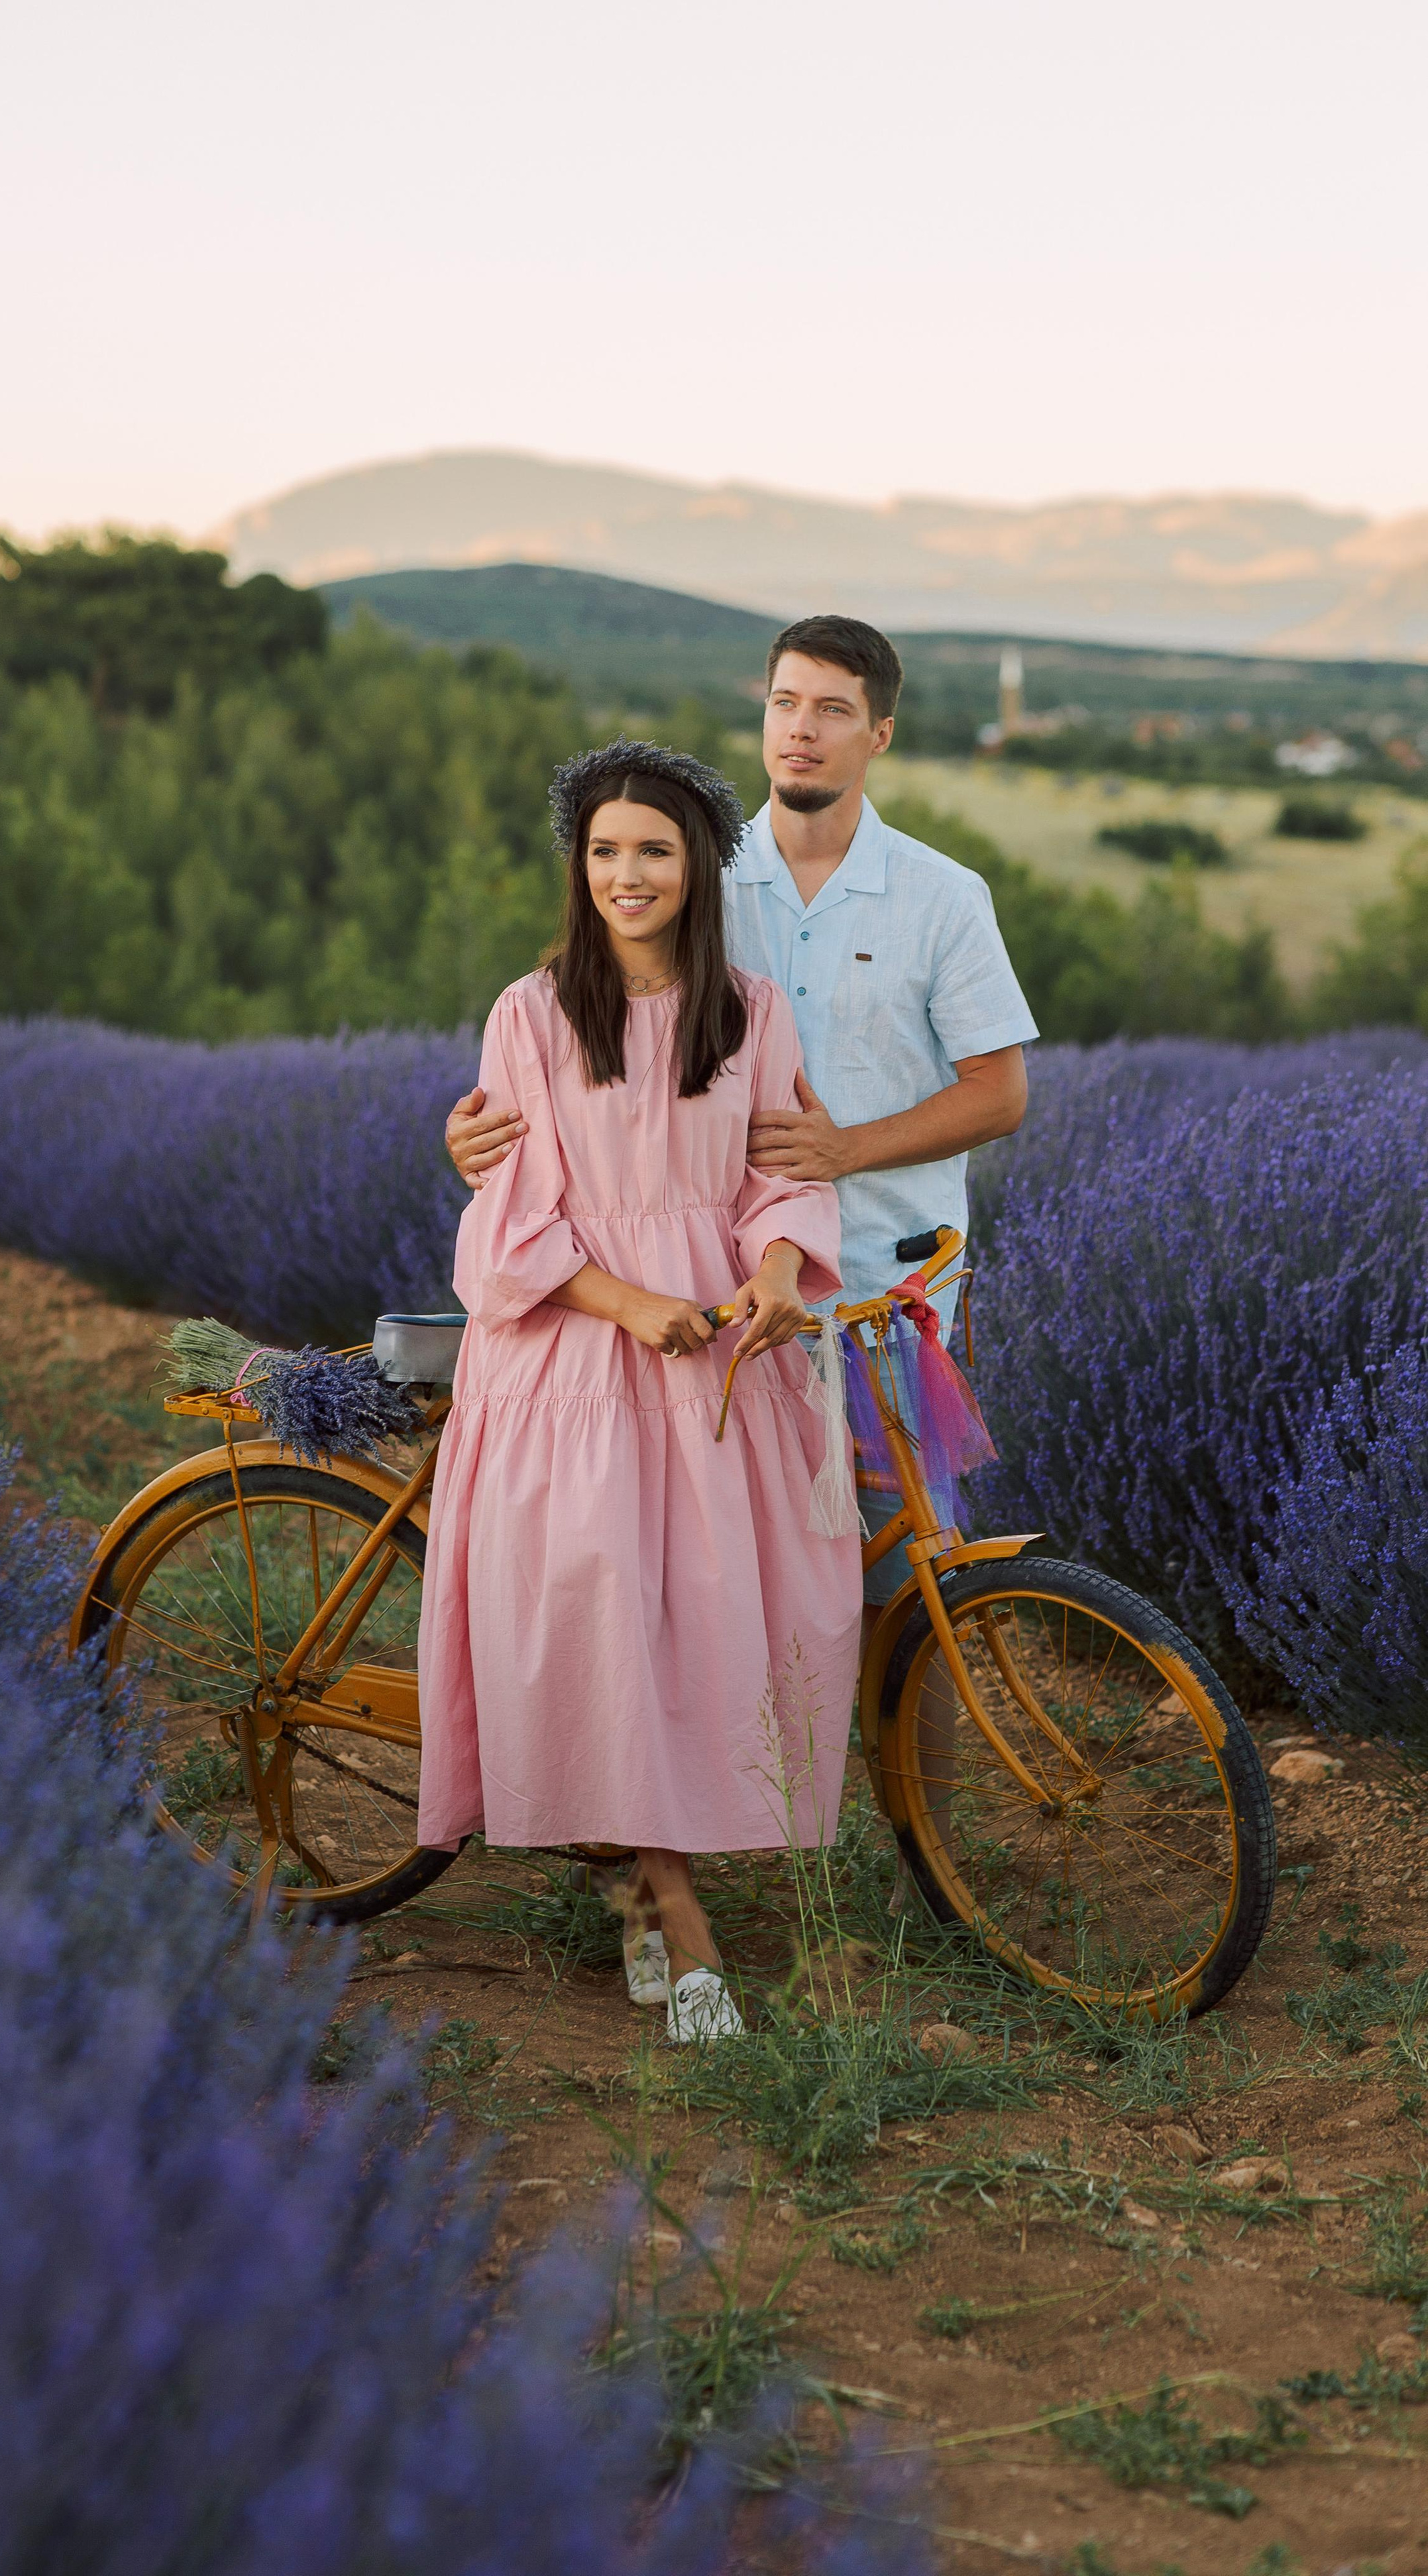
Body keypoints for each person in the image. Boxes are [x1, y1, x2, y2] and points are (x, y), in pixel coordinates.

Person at [447, 613, 1038, 1638]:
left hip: (882, 1295)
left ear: (879, 734)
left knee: (912, 1585)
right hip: (723, 1312)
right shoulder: (688, 874)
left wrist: (847, 1150)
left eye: (834, 711)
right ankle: (766, 1782)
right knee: (736, 1595)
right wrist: (479, 1143)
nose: (802, 730)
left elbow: (1001, 1093)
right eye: (785, 704)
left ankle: (904, 1801)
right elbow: (572, 1048)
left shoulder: (943, 898)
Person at [417, 742, 867, 2043]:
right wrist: (634, 1306)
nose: (626, 874)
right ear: (579, 866)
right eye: (604, 851)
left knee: (707, 1626)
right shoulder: (533, 1015)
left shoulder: (753, 1012)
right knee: (604, 1626)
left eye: (652, 851)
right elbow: (511, 1224)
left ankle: (628, 1891)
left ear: (696, 868)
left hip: (721, 1357)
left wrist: (778, 1268)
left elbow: (783, 1173)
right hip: (576, 1356)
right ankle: (685, 1936)